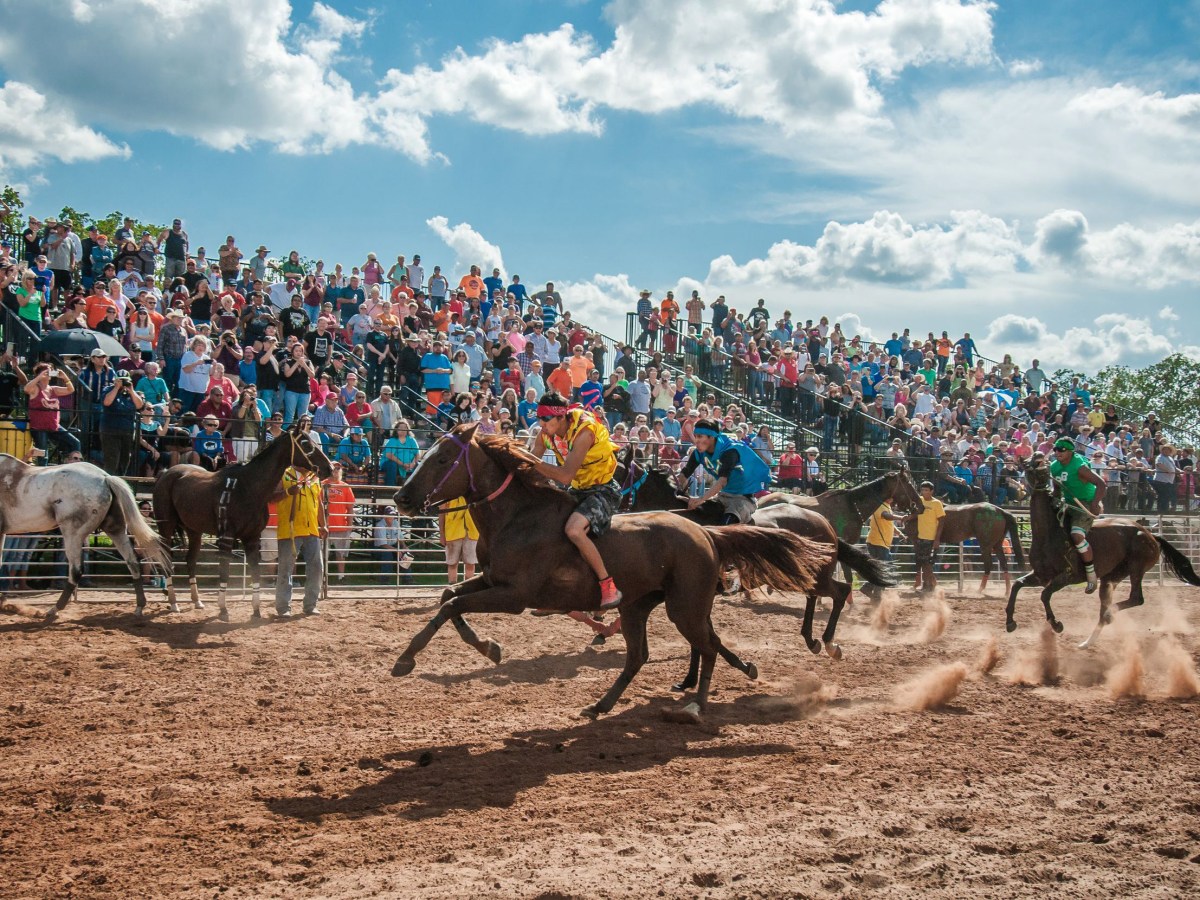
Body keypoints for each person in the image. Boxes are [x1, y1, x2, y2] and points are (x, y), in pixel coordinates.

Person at [529, 391, 624, 610]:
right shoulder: (545, 434)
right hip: (578, 490)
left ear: (561, 417)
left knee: (573, 530)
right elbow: (530, 462)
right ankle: (555, 592)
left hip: (603, 489)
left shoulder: (584, 430)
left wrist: (528, 461)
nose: (541, 423)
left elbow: (564, 475)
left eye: (545, 419)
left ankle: (607, 585)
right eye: (539, 418)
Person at [676, 418, 771, 524]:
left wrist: (701, 499)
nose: (696, 440)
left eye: (700, 436)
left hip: (742, 499)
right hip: (722, 496)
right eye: (696, 436)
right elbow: (685, 473)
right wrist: (687, 493)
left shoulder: (730, 451)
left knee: (725, 526)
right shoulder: (698, 453)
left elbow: (722, 482)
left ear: (711, 437)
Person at [1049, 436, 1106, 592]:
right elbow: (1057, 490)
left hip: (1085, 504)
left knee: (1076, 535)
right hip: (1068, 504)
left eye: (1061, 449)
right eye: (1055, 449)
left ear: (1070, 452)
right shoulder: (1054, 467)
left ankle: (1091, 575)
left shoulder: (1079, 467)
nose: (1057, 452)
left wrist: (1095, 504)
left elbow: (1101, 484)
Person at [274, 464, 327, 617]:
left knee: (317, 567)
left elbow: (319, 502)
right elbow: (272, 497)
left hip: (311, 528)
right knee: (285, 568)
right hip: (290, 528)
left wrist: (323, 525)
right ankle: (283, 607)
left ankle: (310, 605)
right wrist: (288, 492)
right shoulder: (284, 474)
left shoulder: (314, 477)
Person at [24, 363, 79, 463]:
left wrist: (65, 377)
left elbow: (71, 390)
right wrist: (39, 377)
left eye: (50, 370)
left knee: (75, 442)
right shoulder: (35, 388)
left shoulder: (53, 389)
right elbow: (26, 389)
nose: (49, 373)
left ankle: (73, 465)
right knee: (43, 455)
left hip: (54, 426)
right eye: (46, 370)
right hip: (39, 427)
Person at [101, 370, 148, 474]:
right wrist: (116, 387)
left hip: (127, 430)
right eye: (120, 380)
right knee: (112, 458)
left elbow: (139, 406)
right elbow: (107, 402)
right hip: (110, 429)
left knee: (125, 459)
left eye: (125, 381)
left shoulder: (134, 393)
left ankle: (121, 479)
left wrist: (131, 391)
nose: (123, 382)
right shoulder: (108, 390)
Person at [862, 499, 905, 600]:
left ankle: (869, 588)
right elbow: (886, 516)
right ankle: (876, 593)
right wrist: (901, 517)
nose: (893, 498)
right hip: (877, 542)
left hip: (880, 543)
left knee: (882, 569)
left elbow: (889, 523)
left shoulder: (886, 506)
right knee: (886, 568)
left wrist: (899, 533)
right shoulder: (879, 506)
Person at [324, 463, 356, 582]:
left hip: (341, 526)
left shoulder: (345, 486)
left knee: (341, 554)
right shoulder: (323, 484)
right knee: (323, 554)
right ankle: (323, 576)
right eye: (334, 468)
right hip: (325, 526)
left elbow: (350, 507)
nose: (336, 471)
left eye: (338, 468)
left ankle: (341, 576)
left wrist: (350, 525)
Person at [912, 481, 946, 593]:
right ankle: (928, 585)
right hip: (921, 537)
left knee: (928, 563)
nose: (924, 492)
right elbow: (917, 513)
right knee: (923, 562)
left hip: (931, 538)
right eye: (922, 490)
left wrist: (937, 539)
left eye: (926, 490)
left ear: (931, 491)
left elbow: (941, 521)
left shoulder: (936, 503)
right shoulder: (920, 500)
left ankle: (928, 586)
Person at [440, 497, 479, 584]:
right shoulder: (448, 493)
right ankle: (452, 587)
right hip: (452, 533)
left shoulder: (474, 492)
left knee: (470, 563)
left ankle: (468, 588)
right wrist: (442, 534)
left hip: (472, 533)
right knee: (452, 563)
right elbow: (441, 513)